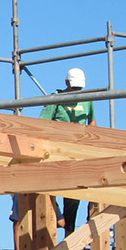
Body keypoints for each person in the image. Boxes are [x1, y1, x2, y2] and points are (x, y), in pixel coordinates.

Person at [39, 67, 97, 235]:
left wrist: (91, 138)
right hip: (58, 151)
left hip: (78, 151)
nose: (77, 92)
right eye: (74, 88)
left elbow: (92, 122)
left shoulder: (88, 99)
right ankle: (59, 226)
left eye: (79, 89)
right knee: (54, 190)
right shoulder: (55, 99)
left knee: (77, 192)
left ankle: (73, 230)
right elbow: (42, 125)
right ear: (66, 83)